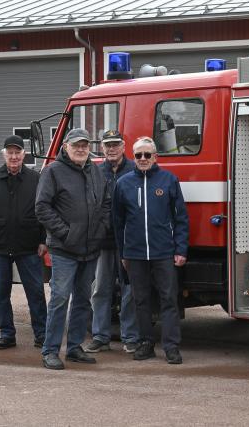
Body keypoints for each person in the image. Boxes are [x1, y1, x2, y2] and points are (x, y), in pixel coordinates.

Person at [35, 128, 111, 370]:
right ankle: (50, 351)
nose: (81, 149)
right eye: (76, 145)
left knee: (82, 300)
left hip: (90, 249)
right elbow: (42, 207)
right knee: (59, 299)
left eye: (85, 145)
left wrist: (101, 229)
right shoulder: (53, 172)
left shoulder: (96, 171)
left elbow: (106, 203)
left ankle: (75, 347)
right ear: (65, 146)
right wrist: (66, 233)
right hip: (64, 249)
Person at [112, 136, 188, 365]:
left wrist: (181, 249)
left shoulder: (169, 181)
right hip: (135, 254)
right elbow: (117, 221)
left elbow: (181, 218)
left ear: (156, 156)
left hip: (164, 252)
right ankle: (146, 343)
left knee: (168, 299)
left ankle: (171, 346)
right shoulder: (123, 184)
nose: (143, 159)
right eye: (138, 155)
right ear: (133, 157)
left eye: (147, 154)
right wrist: (123, 253)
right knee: (140, 300)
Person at [0, 135, 47, 350]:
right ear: (4, 154)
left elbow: (44, 211)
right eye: (10, 153)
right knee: (2, 293)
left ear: (24, 155)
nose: (14, 156)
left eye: (18, 152)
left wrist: (43, 240)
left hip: (29, 247)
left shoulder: (36, 179)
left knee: (35, 292)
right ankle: (7, 334)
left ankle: (42, 334)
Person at [84, 130, 140, 354]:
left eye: (115, 144)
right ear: (102, 148)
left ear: (123, 146)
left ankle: (131, 337)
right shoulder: (95, 172)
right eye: (107, 145)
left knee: (130, 291)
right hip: (104, 243)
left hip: (128, 242)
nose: (111, 149)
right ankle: (100, 336)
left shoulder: (135, 170)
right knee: (100, 290)